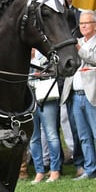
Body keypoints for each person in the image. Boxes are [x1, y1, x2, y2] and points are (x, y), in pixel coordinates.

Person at [70, 10, 96, 180]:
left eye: (87, 23)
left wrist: (78, 49)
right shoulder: (76, 42)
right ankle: (89, 168)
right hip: (76, 95)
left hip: (93, 94)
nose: (83, 26)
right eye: (81, 23)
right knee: (83, 135)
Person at [28, 48, 63, 183]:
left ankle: (55, 169)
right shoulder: (23, 53)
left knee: (51, 134)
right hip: (30, 97)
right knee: (33, 137)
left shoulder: (46, 53)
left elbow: (56, 69)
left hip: (46, 95)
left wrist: (40, 72)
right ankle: (39, 171)